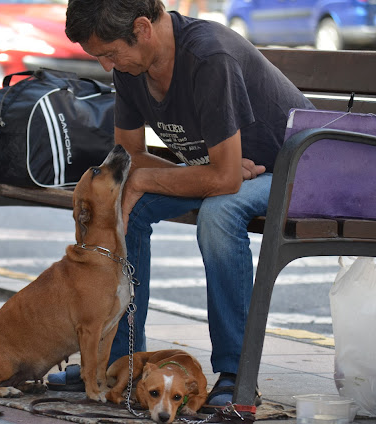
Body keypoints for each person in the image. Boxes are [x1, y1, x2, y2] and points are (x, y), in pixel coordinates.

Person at [48, 0, 315, 408]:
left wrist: (193, 174)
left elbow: (223, 181)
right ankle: (122, 362)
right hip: (231, 170)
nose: (106, 66)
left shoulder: (209, 57)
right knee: (129, 203)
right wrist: (196, 172)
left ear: (142, 28)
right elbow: (129, 157)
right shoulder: (132, 67)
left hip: (297, 171)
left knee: (219, 212)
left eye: (109, 53)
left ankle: (235, 373)